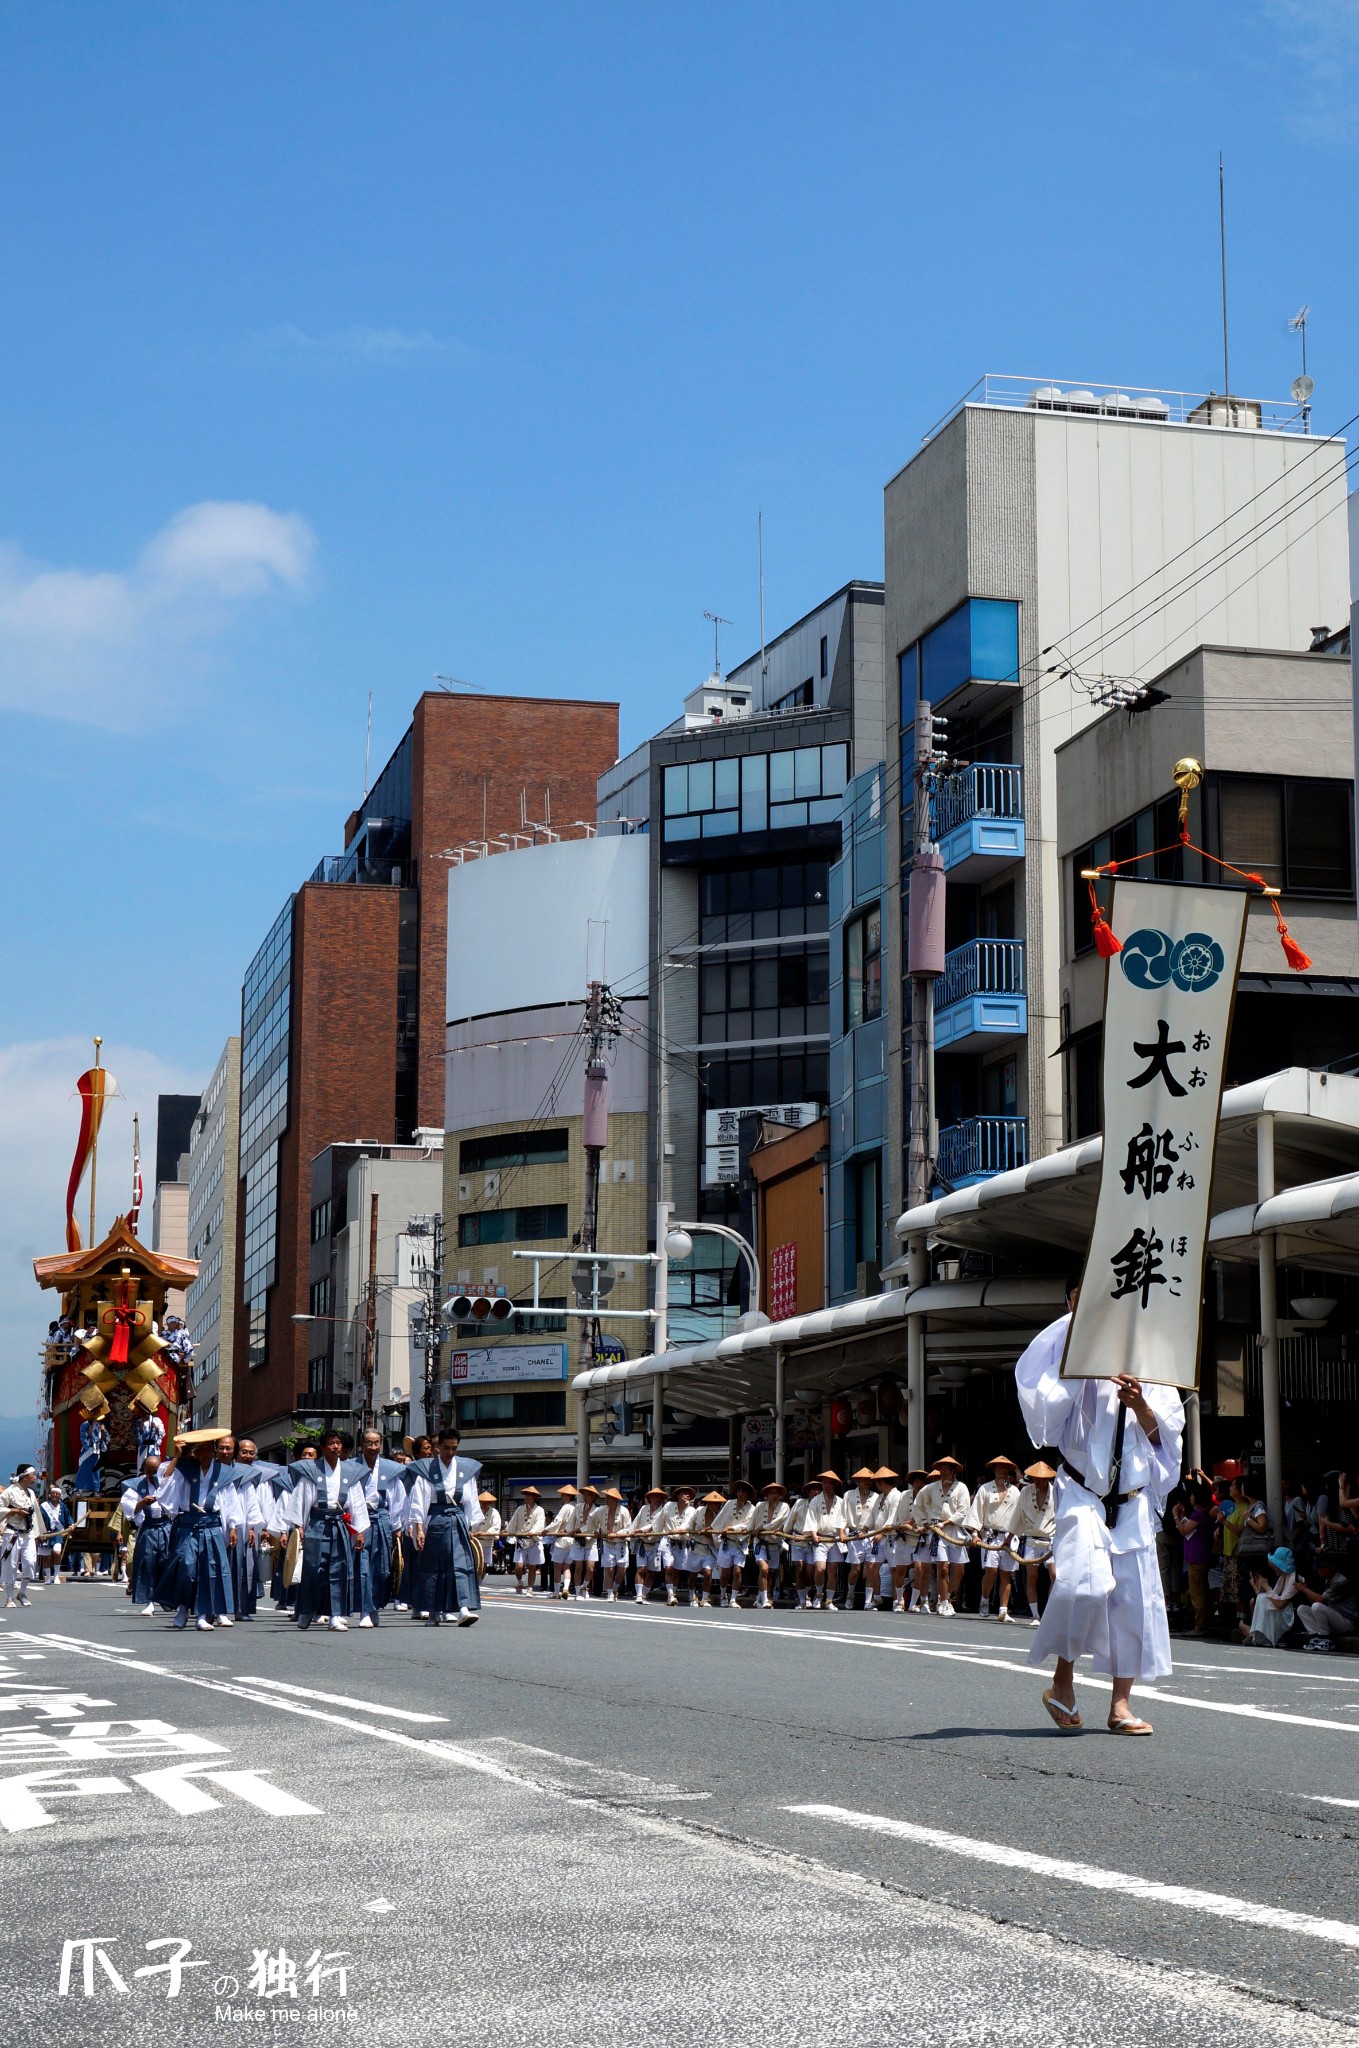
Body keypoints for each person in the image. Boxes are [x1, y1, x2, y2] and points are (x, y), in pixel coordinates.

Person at [1015, 1295, 1183, 1736]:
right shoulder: (1068, 1348)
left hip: (1132, 1499)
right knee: (1081, 1585)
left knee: (1132, 1603)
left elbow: (1169, 1437)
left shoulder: (1153, 1355)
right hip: (1083, 1491)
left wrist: (1142, 1405)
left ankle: (1120, 1706)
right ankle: (1062, 1683)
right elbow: (1045, 1415)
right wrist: (1082, 1364)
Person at [153, 1428, 244, 1631]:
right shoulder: (185, 1469)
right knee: (186, 1567)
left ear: (213, 1452)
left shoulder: (224, 1473)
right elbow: (165, 1484)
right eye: (200, 1449)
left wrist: (233, 1527)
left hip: (211, 1524)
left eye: (208, 1449)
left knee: (209, 1570)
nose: (204, 1453)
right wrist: (177, 1456)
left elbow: (231, 1502)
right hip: (188, 1524)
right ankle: (183, 1608)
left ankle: (203, 1615)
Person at [283, 1431, 370, 1632]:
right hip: (316, 1522)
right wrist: (299, 1526)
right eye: (331, 1443)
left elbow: (357, 1504)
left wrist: (359, 1531)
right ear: (323, 1447)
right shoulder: (311, 1471)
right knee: (313, 1569)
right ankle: (307, 1611)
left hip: (340, 1523)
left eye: (338, 1443)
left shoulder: (350, 1473)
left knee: (338, 1571)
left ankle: (334, 1615)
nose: (336, 1447)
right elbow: (302, 1500)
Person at [403, 1424, 485, 1626]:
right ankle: (432, 1611)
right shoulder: (427, 1469)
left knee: (460, 1565)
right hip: (435, 1519)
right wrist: (419, 1528)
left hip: (457, 1519)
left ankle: (463, 1609)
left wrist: (471, 1525)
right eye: (447, 1447)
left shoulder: (465, 1470)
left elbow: (471, 1500)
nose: (450, 1452)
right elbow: (419, 1500)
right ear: (438, 1446)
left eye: (454, 1448)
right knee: (433, 1568)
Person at [351, 1429, 402, 1625]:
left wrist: (397, 1526)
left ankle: (375, 1606)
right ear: (361, 1445)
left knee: (382, 1568)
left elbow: (398, 1500)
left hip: (382, 1518)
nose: (373, 1447)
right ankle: (365, 1610)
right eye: (369, 1443)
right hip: (359, 1519)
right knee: (363, 1565)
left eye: (376, 1443)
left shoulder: (390, 1468)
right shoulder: (352, 1468)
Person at [968, 1455, 1024, 1622]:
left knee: (1006, 1574)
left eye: (1005, 1468)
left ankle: (1003, 1610)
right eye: (999, 1467)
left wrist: (1012, 1535)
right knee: (991, 1571)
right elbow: (976, 1511)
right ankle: (984, 1600)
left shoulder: (1015, 1491)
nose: (1002, 1470)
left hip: (1008, 1536)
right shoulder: (985, 1489)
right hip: (990, 1536)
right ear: (994, 1470)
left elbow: (1018, 1516)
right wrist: (974, 1534)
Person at [915, 1456, 971, 1617]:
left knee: (959, 1570)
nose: (943, 1471)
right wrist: (924, 1522)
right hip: (936, 1531)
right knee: (943, 1568)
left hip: (954, 1530)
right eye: (941, 1468)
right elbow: (918, 1504)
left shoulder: (961, 1488)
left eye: (947, 1468)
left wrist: (946, 1523)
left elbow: (963, 1511)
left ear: (953, 1470)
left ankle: (944, 1596)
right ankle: (945, 1603)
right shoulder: (931, 1488)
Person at [119, 1454, 173, 1616]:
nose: (152, 1474)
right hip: (148, 1527)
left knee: (167, 1562)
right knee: (147, 1563)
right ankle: (149, 1601)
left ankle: (166, 1598)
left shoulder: (168, 1484)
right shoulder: (136, 1486)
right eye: (149, 1470)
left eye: (155, 1471)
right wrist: (142, 1503)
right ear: (144, 1470)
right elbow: (128, 1509)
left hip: (166, 1526)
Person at [1295, 1545, 1359, 1652]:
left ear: (1328, 1568)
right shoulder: (1327, 1580)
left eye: (1320, 1568)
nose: (1318, 1571)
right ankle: (1314, 1637)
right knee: (1302, 1609)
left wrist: (1305, 1590)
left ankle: (1324, 1639)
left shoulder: (1340, 1581)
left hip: (1346, 1623)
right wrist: (1305, 1589)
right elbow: (1317, 1601)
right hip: (1334, 1620)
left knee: (1317, 1606)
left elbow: (1320, 1601)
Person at [1172, 1478, 1215, 1637]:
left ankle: (1199, 1626)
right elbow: (1188, 1529)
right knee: (1201, 1592)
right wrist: (1182, 1515)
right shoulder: (1202, 1514)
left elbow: (1184, 1530)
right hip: (1200, 1556)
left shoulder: (1198, 1514)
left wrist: (1176, 1516)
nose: (1190, 1498)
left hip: (1196, 1557)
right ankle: (1203, 1623)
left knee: (1197, 1594)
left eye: (1191, 1496)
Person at [1016, 1462, 1056, 1627]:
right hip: (1031, 1538)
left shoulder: (1057, 1492)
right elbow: (1017, 1516)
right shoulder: (1025, 1491)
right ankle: (1035, 1615)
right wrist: (1009, 1538)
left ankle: (1050, 1612)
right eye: (1036, 1479)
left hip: (1050, 1539)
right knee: (1032, 1577)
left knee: (1055, 1576)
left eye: (1042, 1479)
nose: (1039, 1482)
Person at [0, 1465, 43, 1608]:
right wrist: (14, 1511)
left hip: (28, 1533)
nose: (35, 1477)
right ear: (25, 1476)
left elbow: (36, 1514)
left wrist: (39, 1532)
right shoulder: (9, 1492)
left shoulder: (31, 1492)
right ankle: (10, 1597)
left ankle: (22, 1592)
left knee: (30, 1562)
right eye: (33, 1474)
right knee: (10, 1565)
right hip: (12, 1533)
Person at [712, 1479, 759, 1608]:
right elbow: (719, 1520)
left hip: (740, 1543)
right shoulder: (729, 1504)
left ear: (748, 1494)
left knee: (737, 1572)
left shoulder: (752, 1509)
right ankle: (723, 1595)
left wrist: (732, 1528)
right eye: (739, 1491)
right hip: (727, 1542)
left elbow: (748, 1525)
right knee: (725, 1572)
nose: (741, 1494)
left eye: (744, 1492)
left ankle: (733, 1599)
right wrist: (717, 1532)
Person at [841, 1467, 880, 1613]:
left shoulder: (876, 1496)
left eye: (869, 1480)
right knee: (855, 1570)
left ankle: (868, 1601)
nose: (866, 1483)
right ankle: (850, 1595)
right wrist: (842, 1533)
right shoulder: (849, 1495)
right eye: (863, 1480)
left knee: (870, 1569)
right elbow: (843, 1515)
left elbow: (878, 1517)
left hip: (870, 1535)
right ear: (858, 1481)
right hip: (855, 1535)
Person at [806, 1472, 847, 1611]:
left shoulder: (841, 1502)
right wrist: (813, 1533)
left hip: (835, 1539)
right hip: (821, 1538)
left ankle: (829, 1600)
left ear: (834, 1485)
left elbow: (843, 1519)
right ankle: (818, 1595)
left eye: (829, 1483)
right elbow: (811, 1518)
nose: (826, 1486)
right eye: (824, 1483)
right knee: (820, 1568)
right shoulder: (815, 1501)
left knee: (832, 1570)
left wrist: (842, 1533)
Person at [1242, 1546, 1297, 1648]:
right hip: (1282, 1611)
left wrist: (1267, 1587)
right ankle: (1259, 1635)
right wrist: (1257, 1587)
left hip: (1289, 1614)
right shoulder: (1282, 1577)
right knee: (1261, 1598)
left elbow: (1280, 1604)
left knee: (1263, 1598)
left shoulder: (1294, 1578)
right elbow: (1270, 1597)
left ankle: (1266, 1636)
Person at [505, 1486, 547, 1596]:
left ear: (534, 1497)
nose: (527, 1497)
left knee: (532, 1566)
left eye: (529, 1495)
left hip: (533, 1540)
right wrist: (506, 1531)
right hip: (521, 1541)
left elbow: (540, 1524)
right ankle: (520, 1581)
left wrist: (532, 1532)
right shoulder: (520, 1509)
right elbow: (513, 1523)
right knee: (518, 1567)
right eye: (526, 1495)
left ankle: (530, 1588)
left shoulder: (540, 1510)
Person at [592, 1488, 633, 1601]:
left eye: (609, 1498)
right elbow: (591, 1521)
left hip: (620, 1543)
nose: (607, 1500)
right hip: (607, 1543)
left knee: (622, 1570)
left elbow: (628, 1528)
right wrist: (595, 1531)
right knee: (609, 1569)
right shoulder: (601, 1510)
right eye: (606, 1497)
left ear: (615, 1499)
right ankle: (610, 1592)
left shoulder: (624, 1511)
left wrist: (617, 1534)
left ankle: (615, 1588)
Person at [752, 1481, 788, 1609]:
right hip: (760, 1542)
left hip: (774, 1543)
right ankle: (765, 1599)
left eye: (776, 1493)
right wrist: (752, 1530)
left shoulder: (784, 1507)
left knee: (770, 1572)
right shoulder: (760, 1505)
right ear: (766, 1494)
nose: (774, 1495)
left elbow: (778, 1522)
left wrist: (762, 1527)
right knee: (764, 1569)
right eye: (771, 1493)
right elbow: (752, 1521)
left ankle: (761, 1596)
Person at [630, 1486, 669, 1604]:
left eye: (659, 1496)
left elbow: (655, 1525)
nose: (657, 1498)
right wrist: (630, 1532)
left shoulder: (663, 1511)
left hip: (655, 1543)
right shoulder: (643, 1509)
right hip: (643, 1543)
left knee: (651, 1572)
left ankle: (644, 1595)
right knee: (641, 1569)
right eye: (655, 1496)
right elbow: (635, 1523)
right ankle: (638, 1595)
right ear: (649, 1498)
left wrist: (640, 1530)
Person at [685, 1492, 725, 1608]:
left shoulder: (721, 1516)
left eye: (718, 1503)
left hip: (710, 1549)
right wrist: (689, 1534)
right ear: (708, 1503)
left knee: (708, 1573)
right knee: (693, 1575)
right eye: (713, 1503)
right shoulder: (699, 1511)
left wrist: (710, 1535)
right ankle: (692, 1596)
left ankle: (705, 1598)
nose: (716, 1505)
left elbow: (719, 1537)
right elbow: (690, 1526)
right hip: (696, 1547)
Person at [544, 1486, 580, 1599]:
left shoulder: (566, 1507)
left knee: (557, 1567)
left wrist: (546, 1530)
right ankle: (566, 1588)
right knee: (567, 1567)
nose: (561, 1496)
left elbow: (557, 1521)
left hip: (562, 1539)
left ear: (568, 1496)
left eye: (563, 1494)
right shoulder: (577, 1507)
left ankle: (556, 1592)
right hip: (572, 1540)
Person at [665, 1484, 698, 1607]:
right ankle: (670, 1595)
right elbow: (659, 1520)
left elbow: (688, 1524)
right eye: (684, 1493)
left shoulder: (692, 1510)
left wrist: (679, 1530)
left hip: (682, 1542)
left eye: (689, 1494)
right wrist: (647, 1530)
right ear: (678, 1495)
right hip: (668, 1541)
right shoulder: (668, 1506)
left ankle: (673, 1593)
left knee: (677, 1571)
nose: (687, 1495)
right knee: (669, 1568)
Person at [568, 1483, 602, 1600]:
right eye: (585, 1495)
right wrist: (569, 1531)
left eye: (589, 1495)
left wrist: (579, 1529)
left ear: (594, 1497)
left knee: (591, 1567)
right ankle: (578, 1591)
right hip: (578, 1540)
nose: (586, 1497)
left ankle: (584, 1586)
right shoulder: (578, 1507)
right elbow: (572, 1521)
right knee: (578, 1567)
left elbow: (593, 1526)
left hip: (590, 1540)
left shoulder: (597, 1510)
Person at [37, 1484, 70, 1583]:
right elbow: (39, 1520)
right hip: (46, 1534)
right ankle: (48, 1577)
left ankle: (56, 1575)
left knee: (56, 1552)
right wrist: (40, 1533)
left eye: (57, 1493)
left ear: (60, 1495)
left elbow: (68, 1518)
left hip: (57, 1533)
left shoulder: (63, 1506)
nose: (54, 1495)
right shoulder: (44, 1506)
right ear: (50, 1495)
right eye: (53, 1493)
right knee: (47, 1556)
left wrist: (71, 1525)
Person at [476, 1491, 502, 1575]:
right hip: (475, 1540)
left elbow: (496, 1527)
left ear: (489, 1503)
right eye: (482, 1503)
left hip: (487, 1541)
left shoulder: (494, 1512)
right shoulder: (476, 1511)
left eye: (485, 1503)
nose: (483, 1505)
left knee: (484, 1563)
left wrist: (485, 1533)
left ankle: (480, 1580)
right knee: (475, 1562)